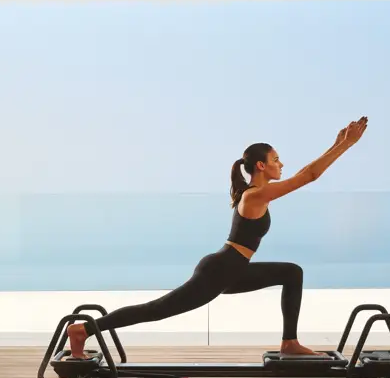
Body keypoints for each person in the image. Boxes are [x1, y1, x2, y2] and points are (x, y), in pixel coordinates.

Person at [66, 116, 369, 359]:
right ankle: (84, 330)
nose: (281, 164)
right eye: (276, 159)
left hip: (232, 269)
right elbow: (308, 176)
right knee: (157, 310)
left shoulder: (256, 195)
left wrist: (338, 142)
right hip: (221, 269)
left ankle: (289, 342)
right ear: (261, 166)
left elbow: (306, 173)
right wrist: (345, 145)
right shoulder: (256, 195)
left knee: (292, 273)